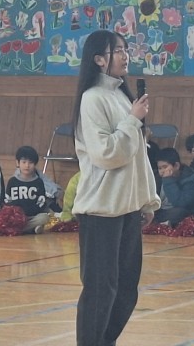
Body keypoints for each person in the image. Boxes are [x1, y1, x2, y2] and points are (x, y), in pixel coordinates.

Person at [71, 29, 160, 346]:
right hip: (101, 211)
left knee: (125, 290)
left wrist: (147, 200)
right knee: (100, 289)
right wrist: (133, 120)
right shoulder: (92, 98)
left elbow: (138, 159)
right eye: (117, 50)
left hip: (127, 209)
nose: (125, 56)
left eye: (125, 49)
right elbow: (106, 155)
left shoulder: (121, 96)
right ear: (99, 59)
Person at [4, 145, 50, 234]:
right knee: (6, 219)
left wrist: (30, 211)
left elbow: (41, 202)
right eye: (24, 162)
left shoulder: (38, 182)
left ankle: (20, 229)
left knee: (44, 217)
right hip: (16, 217)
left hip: (33, 216)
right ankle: (32, 228)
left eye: (30, 163)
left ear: (35, 164)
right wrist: (16, 213)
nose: (27, 165)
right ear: (18, 163)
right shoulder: (12, 181)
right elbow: (7, 200)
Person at [154, 147, 194, 226]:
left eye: (165, 167)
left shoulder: (189, 178)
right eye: (160, 168)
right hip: (160, 212)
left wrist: (168, 180)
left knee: (180, 213)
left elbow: (180, 203)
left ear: (176, 166)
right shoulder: (157, 177)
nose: (162, 171)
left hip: (177, 211)